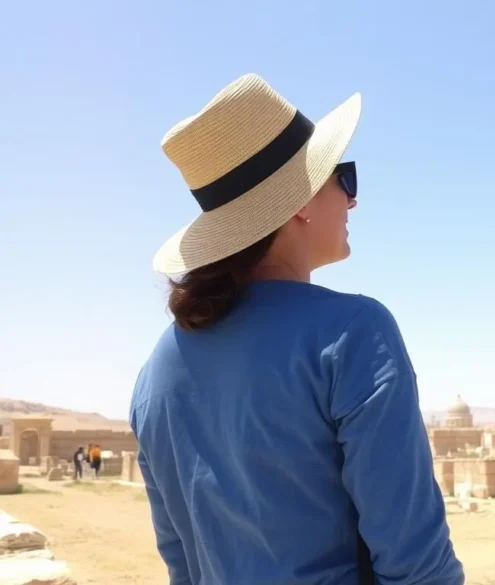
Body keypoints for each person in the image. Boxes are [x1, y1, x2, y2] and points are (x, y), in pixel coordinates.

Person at [129, 74, 464, 585]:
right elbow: (417, 565)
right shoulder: (353, 334)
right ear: (302, 199)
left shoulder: (154, 373)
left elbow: (181, 560)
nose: (352, 201)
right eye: (344, 179)